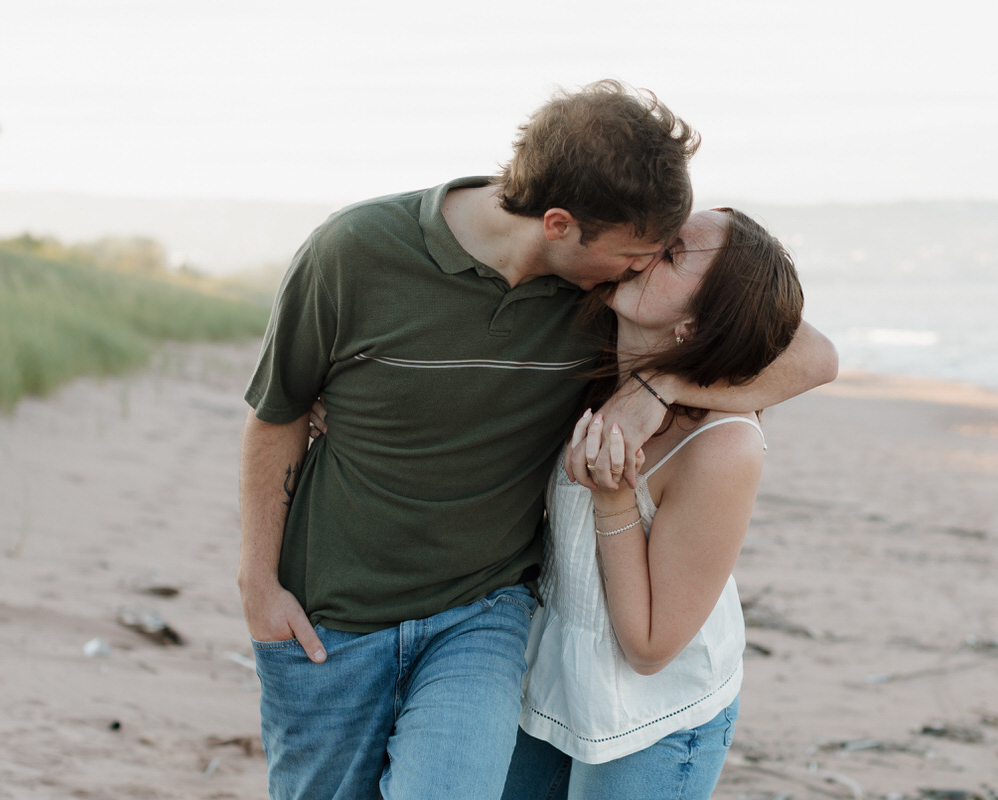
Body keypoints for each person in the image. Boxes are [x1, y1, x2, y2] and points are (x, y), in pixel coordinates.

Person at [239, 79, 837, 800]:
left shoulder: (616, 309)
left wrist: (661, 392)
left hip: (555, 662)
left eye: (665, 253)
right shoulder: (375, 257)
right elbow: (279, 410)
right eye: (645, 249)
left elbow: (813, 353)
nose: (644, 261)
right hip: (422, 646)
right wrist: (259, 580)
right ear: (559, 225)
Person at [502, 208, 805, 800]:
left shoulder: (721, 446)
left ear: (697, 324)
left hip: (653, 719)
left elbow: (649, 649)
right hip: (553, 679)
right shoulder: (594, 355)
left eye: (671, 253)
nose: (646, 246)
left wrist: (613, 495)